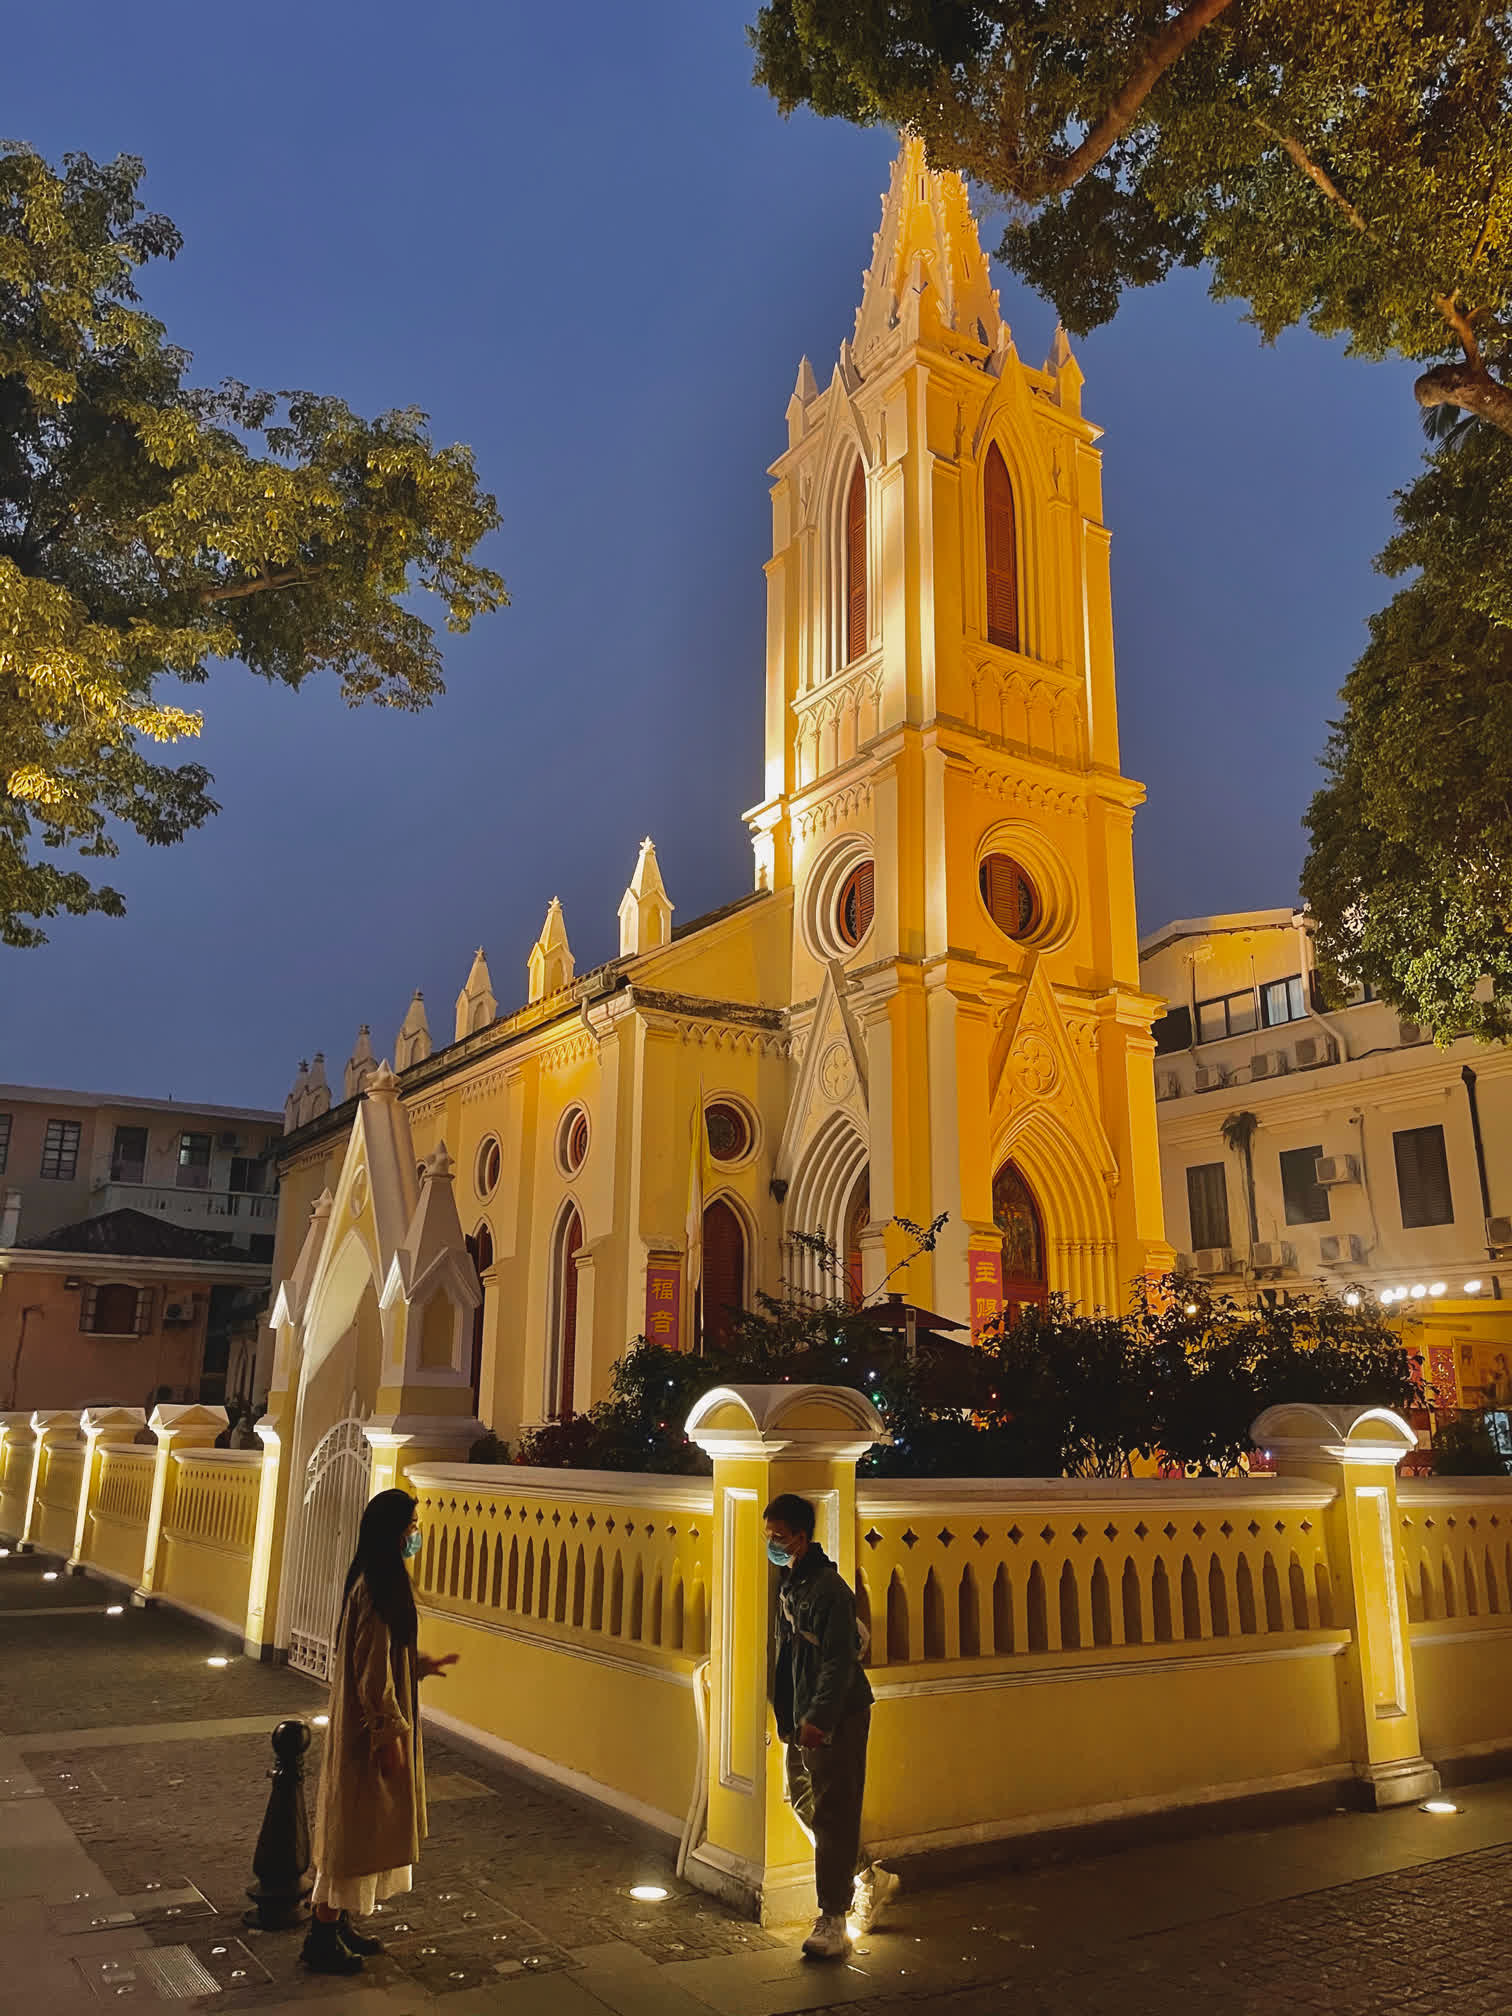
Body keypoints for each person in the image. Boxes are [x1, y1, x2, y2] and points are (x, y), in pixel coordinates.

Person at [302, 1488, 459, 1975]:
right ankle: (322, 1935)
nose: (415, 1534)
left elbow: (383, 1657)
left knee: (361, 1831)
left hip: (373, 1726)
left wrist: (419, 1666)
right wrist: (388, 1736)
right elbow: (372, 1674)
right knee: (353, 1832)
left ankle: (338, 1921)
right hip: (368, 1734)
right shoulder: (374, 1587)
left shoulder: (380, 1582)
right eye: (410, 1526)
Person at [764, 1492, 899, 1960]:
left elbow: (838, 1662)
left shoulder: (829, 1591)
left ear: (801, 1538)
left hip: (836, 1717)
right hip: (803, 1716)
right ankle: (866, 1875)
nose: (773, 1544)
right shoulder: (793, 1582)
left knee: (833, 1812)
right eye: (769, 1536)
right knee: (805, 1802)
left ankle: (834, 1918)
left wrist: (820, 1719)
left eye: (779, 1537)